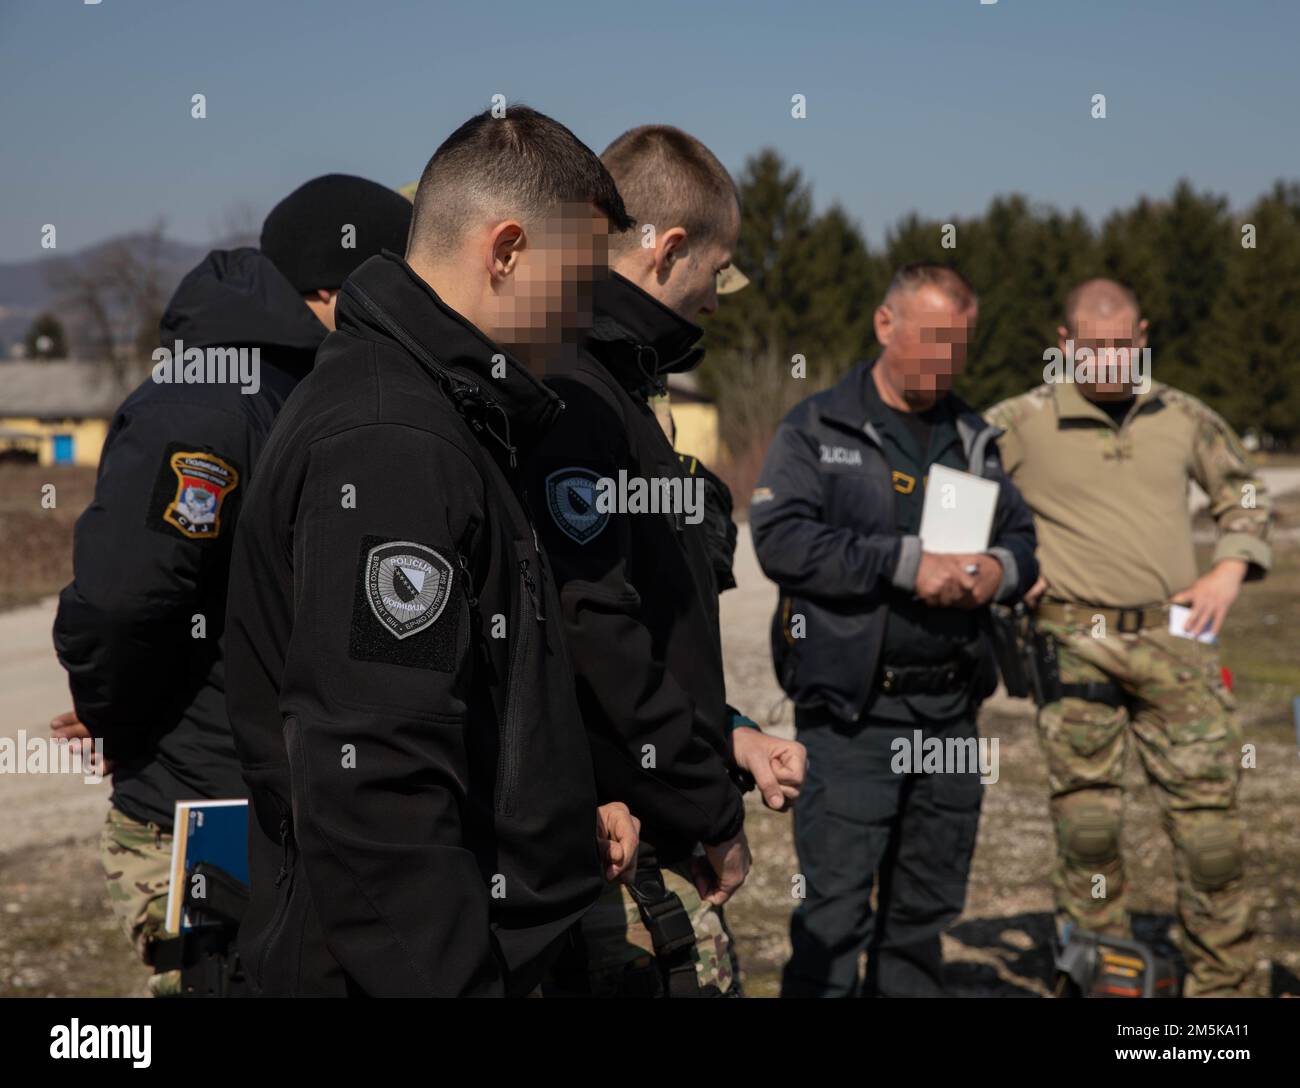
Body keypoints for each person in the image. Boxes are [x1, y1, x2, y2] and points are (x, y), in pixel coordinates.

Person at [223, 106, 641, 997]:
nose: (583, 322)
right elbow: (375, 783)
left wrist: (558, 813)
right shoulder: (392, 439)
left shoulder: (445, 407)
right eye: (577, 284)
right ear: (506, 250)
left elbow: (473, 697)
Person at [51, 174, 413, 996]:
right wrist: (119, 715)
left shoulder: (313, 385)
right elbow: (123, 602)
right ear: (332, 288)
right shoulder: (210, 401)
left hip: (290, 802)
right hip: (208, 805)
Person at [527, 124, 805, 998]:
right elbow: (593, 630)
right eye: (716, 273)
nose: (718, 301)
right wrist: (707, 808)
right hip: (618, 850)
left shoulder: (617, 380)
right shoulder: (576, 389)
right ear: (668, 249)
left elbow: (651, 625)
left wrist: (727, 734)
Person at [752, 263, 1038, 997]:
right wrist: (906, 564)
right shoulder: (819, 426)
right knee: (834, 918)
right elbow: (781, 540)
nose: (946, 359)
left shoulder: (974, 436)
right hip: (852, 721)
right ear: (886, 325)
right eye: (933, 338)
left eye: (960, 344)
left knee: (921, 919)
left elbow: (1021, 537)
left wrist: (996, 574)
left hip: (948, 717)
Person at [984, 278, 1272, 996]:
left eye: (1121, 347)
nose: (1109, 363)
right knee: (1088, 832)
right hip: (1072, 644)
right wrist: (1009, 565)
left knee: (1211, 834)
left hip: (1177, 643)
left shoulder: (1183, 416)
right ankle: (1103, 979)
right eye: (1092, 348)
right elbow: (948, 495)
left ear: (1140, 338)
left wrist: (1227, 572)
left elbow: (1247, 494)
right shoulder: (1020, 421)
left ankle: (1225, 988)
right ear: (1066, 344)